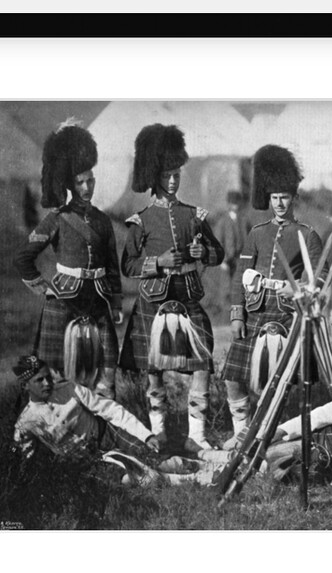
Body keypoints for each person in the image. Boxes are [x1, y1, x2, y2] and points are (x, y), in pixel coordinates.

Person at [118, 124, 225, 453]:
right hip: (153, 302)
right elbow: (128, 266)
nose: (174, 180)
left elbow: (218, 253)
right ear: (155, 176)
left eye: (177, 173)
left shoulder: (195, 215)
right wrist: (159, 262)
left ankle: (196, 435)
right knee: (154, 371)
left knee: (203, 363)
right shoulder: (142, 220)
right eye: (167, 174)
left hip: (188, 299)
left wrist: (202, 253)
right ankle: (160, 433)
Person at [219, 145, 323, 447]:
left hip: (286, 314)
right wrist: (237, 313)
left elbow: (320, 273)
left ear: (294, 198)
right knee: (233, 377)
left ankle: (268, 434)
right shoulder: (257, 233)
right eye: (275, 197)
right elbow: (241, 273)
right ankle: (242, 430)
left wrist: (303, 287)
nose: (279, 203)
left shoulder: (307, 234)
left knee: (278, 380)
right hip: (254, 312)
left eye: (284, 197)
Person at [13, 120, 122, 398]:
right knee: (52, 377)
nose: (87, 187)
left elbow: (111, 266)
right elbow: (24, 258)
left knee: (108, 374)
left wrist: (117, 303)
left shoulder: (102, 220)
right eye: (80, 182)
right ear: (71, 184)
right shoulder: (57, 219)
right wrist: (42, 286)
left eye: (91, 180)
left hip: (98, 301)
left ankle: (103, 431)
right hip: (62, 300)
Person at [11, 356, 224, 493]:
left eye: (47, 377)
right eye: (39, 380)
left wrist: (146, 436)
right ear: (25, 385)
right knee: (133, 479)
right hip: (86, 460)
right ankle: (197, 480)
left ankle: (212, 466)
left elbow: (112, 410)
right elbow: (23, 460)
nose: (47, 383)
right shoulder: (26, 422)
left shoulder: (69, 389)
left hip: (108, 435)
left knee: (159, 460)